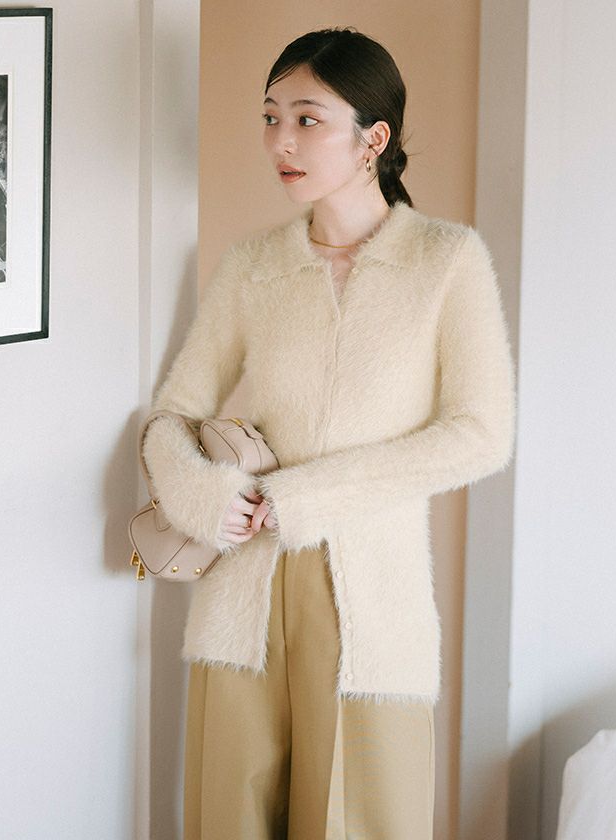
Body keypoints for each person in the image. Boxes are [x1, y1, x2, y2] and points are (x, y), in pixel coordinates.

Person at [141, 26, 516, 840]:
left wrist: (303, 496)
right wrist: (206, 495)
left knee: (363, 820)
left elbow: (481, 433)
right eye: (270, 117)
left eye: (307, 119)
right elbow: (172, 413)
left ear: (373, 139)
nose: (281, 140)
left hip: (374, 609)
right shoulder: (251, 265)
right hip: (240, 599)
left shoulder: (447, 261)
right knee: (228, 823)